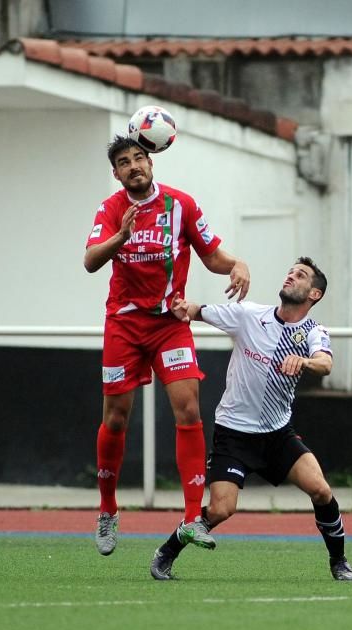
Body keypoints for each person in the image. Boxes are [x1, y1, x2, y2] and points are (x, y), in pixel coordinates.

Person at [84, 135, 250, 556]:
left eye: (140, 157)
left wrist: (238, 264)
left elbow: (213, 256)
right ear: (116, 173)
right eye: (124, 162)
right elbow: (89, 261)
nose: (134, 165)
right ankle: (108, 509)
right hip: (123, 324)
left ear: (151, 162)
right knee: (117, 419)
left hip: (170, 323)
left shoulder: (181, 205)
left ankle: (193, 517)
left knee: (189, 407)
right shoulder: (111, 210)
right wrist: (120, 237)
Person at [149, 257, 352, 582]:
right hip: (234, 435)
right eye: (290, 271)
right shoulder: (248, 315)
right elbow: (196, 310)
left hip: (278, 435)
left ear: (314, 294)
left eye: (300, 275)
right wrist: (180, 307)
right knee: (221, 510)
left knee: (320, 490)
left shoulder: (313, 331)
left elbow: (324, 364)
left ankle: (339, 562)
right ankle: (166, 552)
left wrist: (303, 361)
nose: (291, 276)